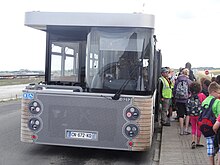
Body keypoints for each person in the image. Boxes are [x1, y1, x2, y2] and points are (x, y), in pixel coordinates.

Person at [202, 82, 220, 165]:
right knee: (218, 147)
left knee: (210, 146)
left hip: (206, 127)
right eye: (218, 92)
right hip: (215, 127)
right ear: (213, 92)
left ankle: (211, 163)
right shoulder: (217, 102)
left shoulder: (205, 100)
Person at [186, 82, 206, 149]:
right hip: (200, 115)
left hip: (192, 114)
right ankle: (198, 142)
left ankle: (193, 140)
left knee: (193, 127)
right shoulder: (202, 95)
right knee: (199, 128)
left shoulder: (190, 95)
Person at [173, 68, 192, 135]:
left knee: (181, 115)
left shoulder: (177, 80)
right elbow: (191, 91)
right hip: (187, 100)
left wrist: (175, 98)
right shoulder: (189, 81)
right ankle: (186, 129)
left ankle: (181, 130)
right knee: (187, 114)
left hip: (179, 100)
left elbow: (174, 90)